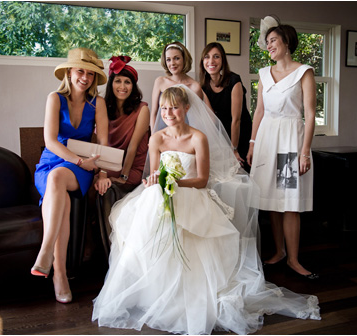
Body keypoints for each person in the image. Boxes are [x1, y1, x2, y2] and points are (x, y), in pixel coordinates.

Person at [92, 85, 320, 335]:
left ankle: (192, 291)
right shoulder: (157, 138)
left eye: (175, 108)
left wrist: (176, 183)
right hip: (163, 194)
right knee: (145, 231)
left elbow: (201, 180)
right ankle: (155, 289)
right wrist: (153, 181)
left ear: (187, 108)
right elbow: (153, 173)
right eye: (165, 108)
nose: (168, 113)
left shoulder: (198, 138)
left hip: (192, 194)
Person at [31, 47, 108, 304]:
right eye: (80, 71)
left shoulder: (98, 104)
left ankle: (46, 254)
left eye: (90, 74)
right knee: (56, 185)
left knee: (58, 180)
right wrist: (78, 160)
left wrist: (101, 172)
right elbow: (50, 141)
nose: (84, 77)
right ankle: (60, 275)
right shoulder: (55, 98)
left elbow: (104, 143)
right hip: (54, 161)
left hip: (82, 169)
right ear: (69, 72)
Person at [246, 16, 318, 279]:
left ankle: (294, 260)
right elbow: (259, 111)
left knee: (288, 202)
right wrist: (253, 143)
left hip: (289, 140)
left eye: (273, 41)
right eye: (267, 42)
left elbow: (310, 115)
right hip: (267, 140)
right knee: (270, 200)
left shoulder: (303, 72)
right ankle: (279, 252)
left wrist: (304, 151)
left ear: (287, 42)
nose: (269, 46)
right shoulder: (264, 74)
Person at [94, 55, 150, 196]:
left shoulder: (142, 109)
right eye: (118, 81)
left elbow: (133, 146)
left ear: (133, 86)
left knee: (104, 183)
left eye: (127, 82)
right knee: (90, 179)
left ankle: (105, 219)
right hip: (110, 163)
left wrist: (123, 177)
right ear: (111, 84)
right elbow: (100, 144)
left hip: (134, 167)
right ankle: (93, 219)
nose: (122, 87)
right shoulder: (103, 108)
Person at [200, 42, 253, 172]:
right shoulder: (203, 87)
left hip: (240, 135)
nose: (211, 61)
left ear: (223, 60)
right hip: (220, 137)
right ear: (202, 61)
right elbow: (211, 120)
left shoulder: (234, 81)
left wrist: (233, 150)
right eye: (207, 57)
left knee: (241, 174)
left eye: (216, 56)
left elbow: (236, 120)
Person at [150, 41, 205, 130]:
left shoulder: (194, 87)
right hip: (161, 133)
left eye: (176, 58)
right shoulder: (160, 82)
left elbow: (197, 120)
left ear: (184, 59)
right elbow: (154, 113)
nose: (172, 63)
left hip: (184, 135)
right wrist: (153, 138)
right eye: (168, 59)